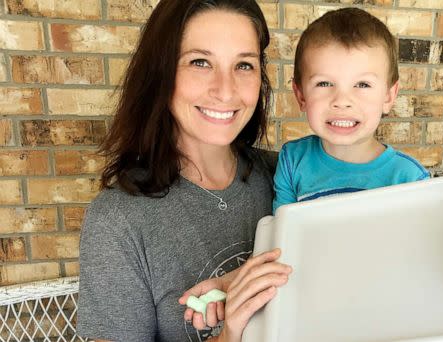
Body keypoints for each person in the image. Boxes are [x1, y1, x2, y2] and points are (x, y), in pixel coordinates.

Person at [77, 1, 291, 341]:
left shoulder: (288, 176)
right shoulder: (117, 220)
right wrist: (230, 331)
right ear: (161, 73)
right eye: (200, 62)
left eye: (244, 65)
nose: (225, 90)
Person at [273, 8, 430, 213]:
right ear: (301, 95)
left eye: (363, 85)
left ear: (388, 96)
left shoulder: (410, 180)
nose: (342, 101)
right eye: (324, 83)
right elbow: (282, 236)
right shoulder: (293, 160)